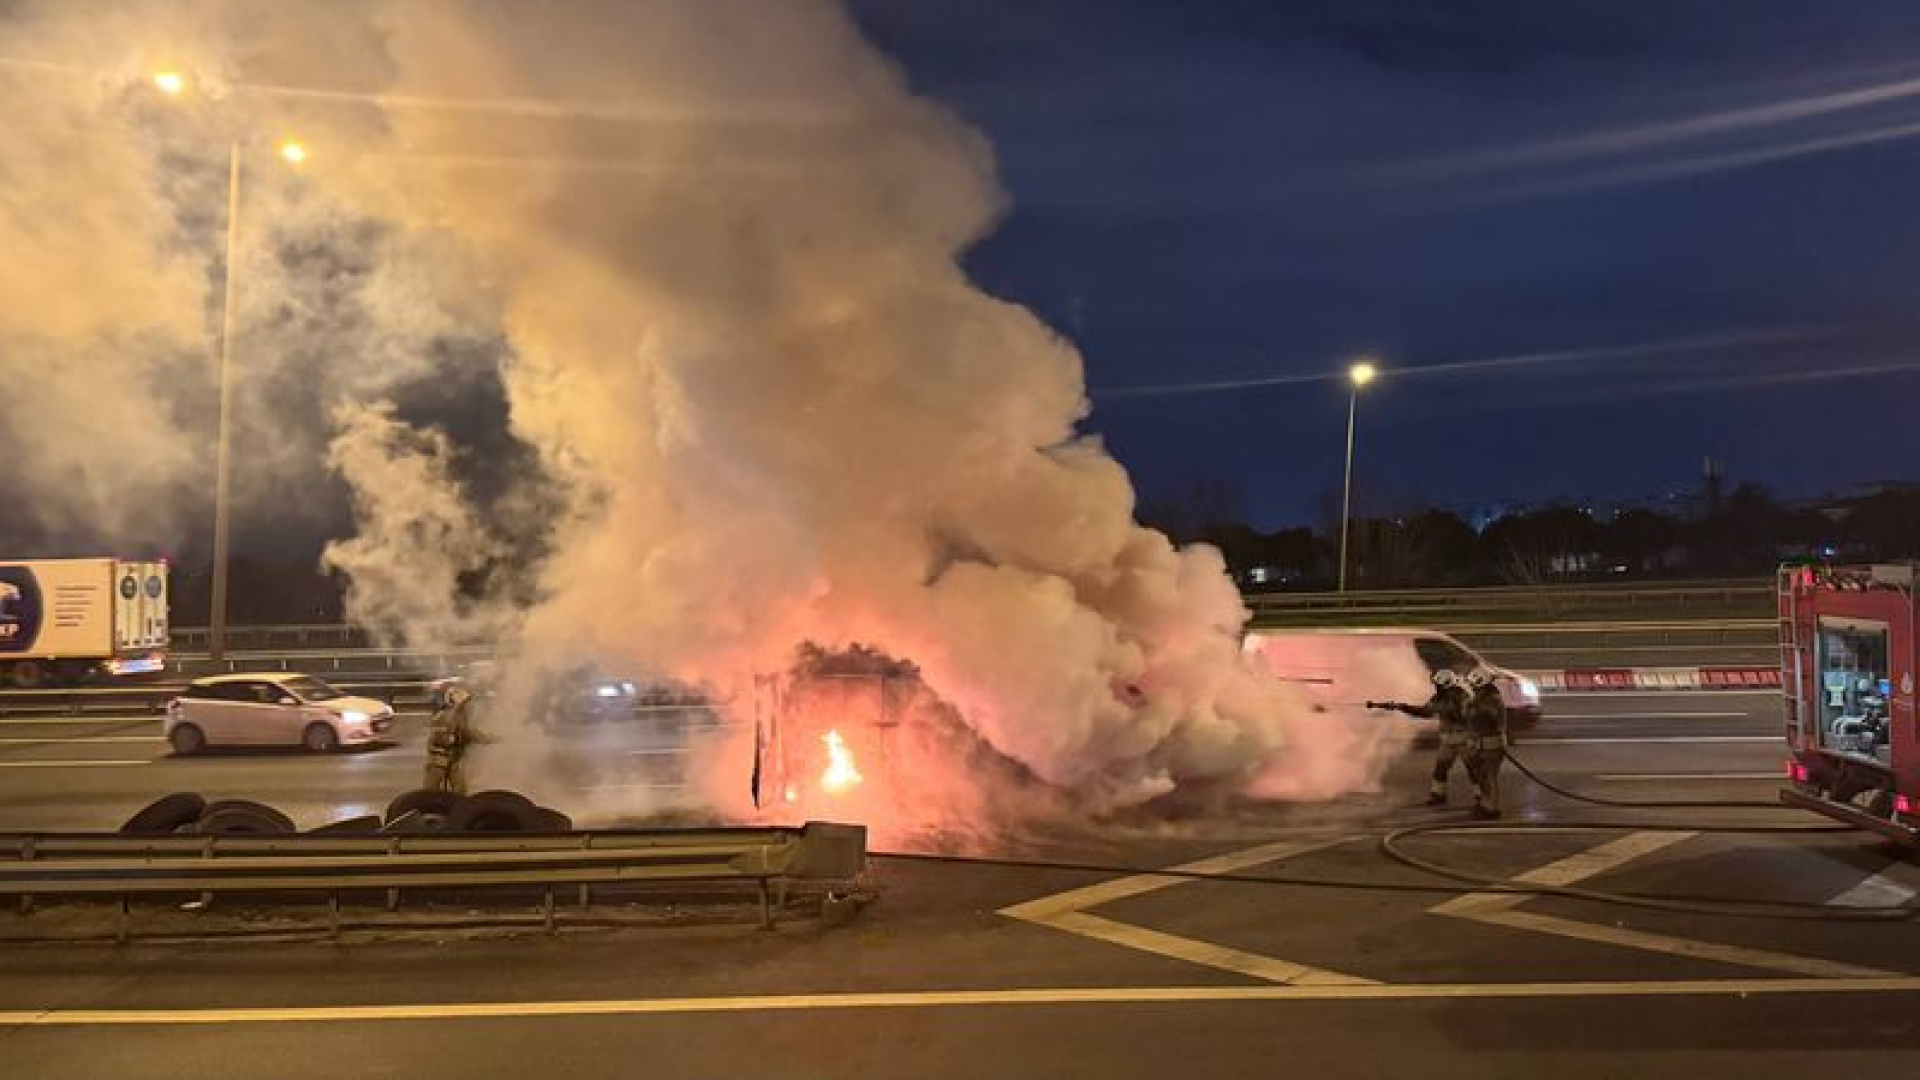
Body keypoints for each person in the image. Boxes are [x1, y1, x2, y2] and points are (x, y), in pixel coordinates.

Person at [1370, 669, 1470, 806]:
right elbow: (1423, 712)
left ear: (1446, 684)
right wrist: (1400, 706)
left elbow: (1432, 712)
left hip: (1464, 739)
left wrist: (1401, 707)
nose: (1436, 687)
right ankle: (1438, 794)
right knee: (1441, 768)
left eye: (1438, 685)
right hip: (1448, 740)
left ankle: (1482, 797)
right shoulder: (1440, 698)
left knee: (1473, 769)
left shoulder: (1462, 697)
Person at [1462, 666, 1510, 820]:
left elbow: (1493, 720)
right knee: (1481, 776)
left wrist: (1474, 708)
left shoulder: (1492, 700)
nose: (1471, 687)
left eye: (1474, 685)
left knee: (1490, 776)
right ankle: (1485, 803)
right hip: (1480, 745)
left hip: (1492, 745)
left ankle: (1493, 808)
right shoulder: (1478, 698)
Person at [423, 686, 477, 795]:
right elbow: (442, 740)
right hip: (438, 763)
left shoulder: (461, 718)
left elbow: (469, 733)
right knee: (429, 793)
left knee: (460, 791)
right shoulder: (442, 717)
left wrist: (491, 738)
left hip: (453, 762)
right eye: (464, 703)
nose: (468, 707)